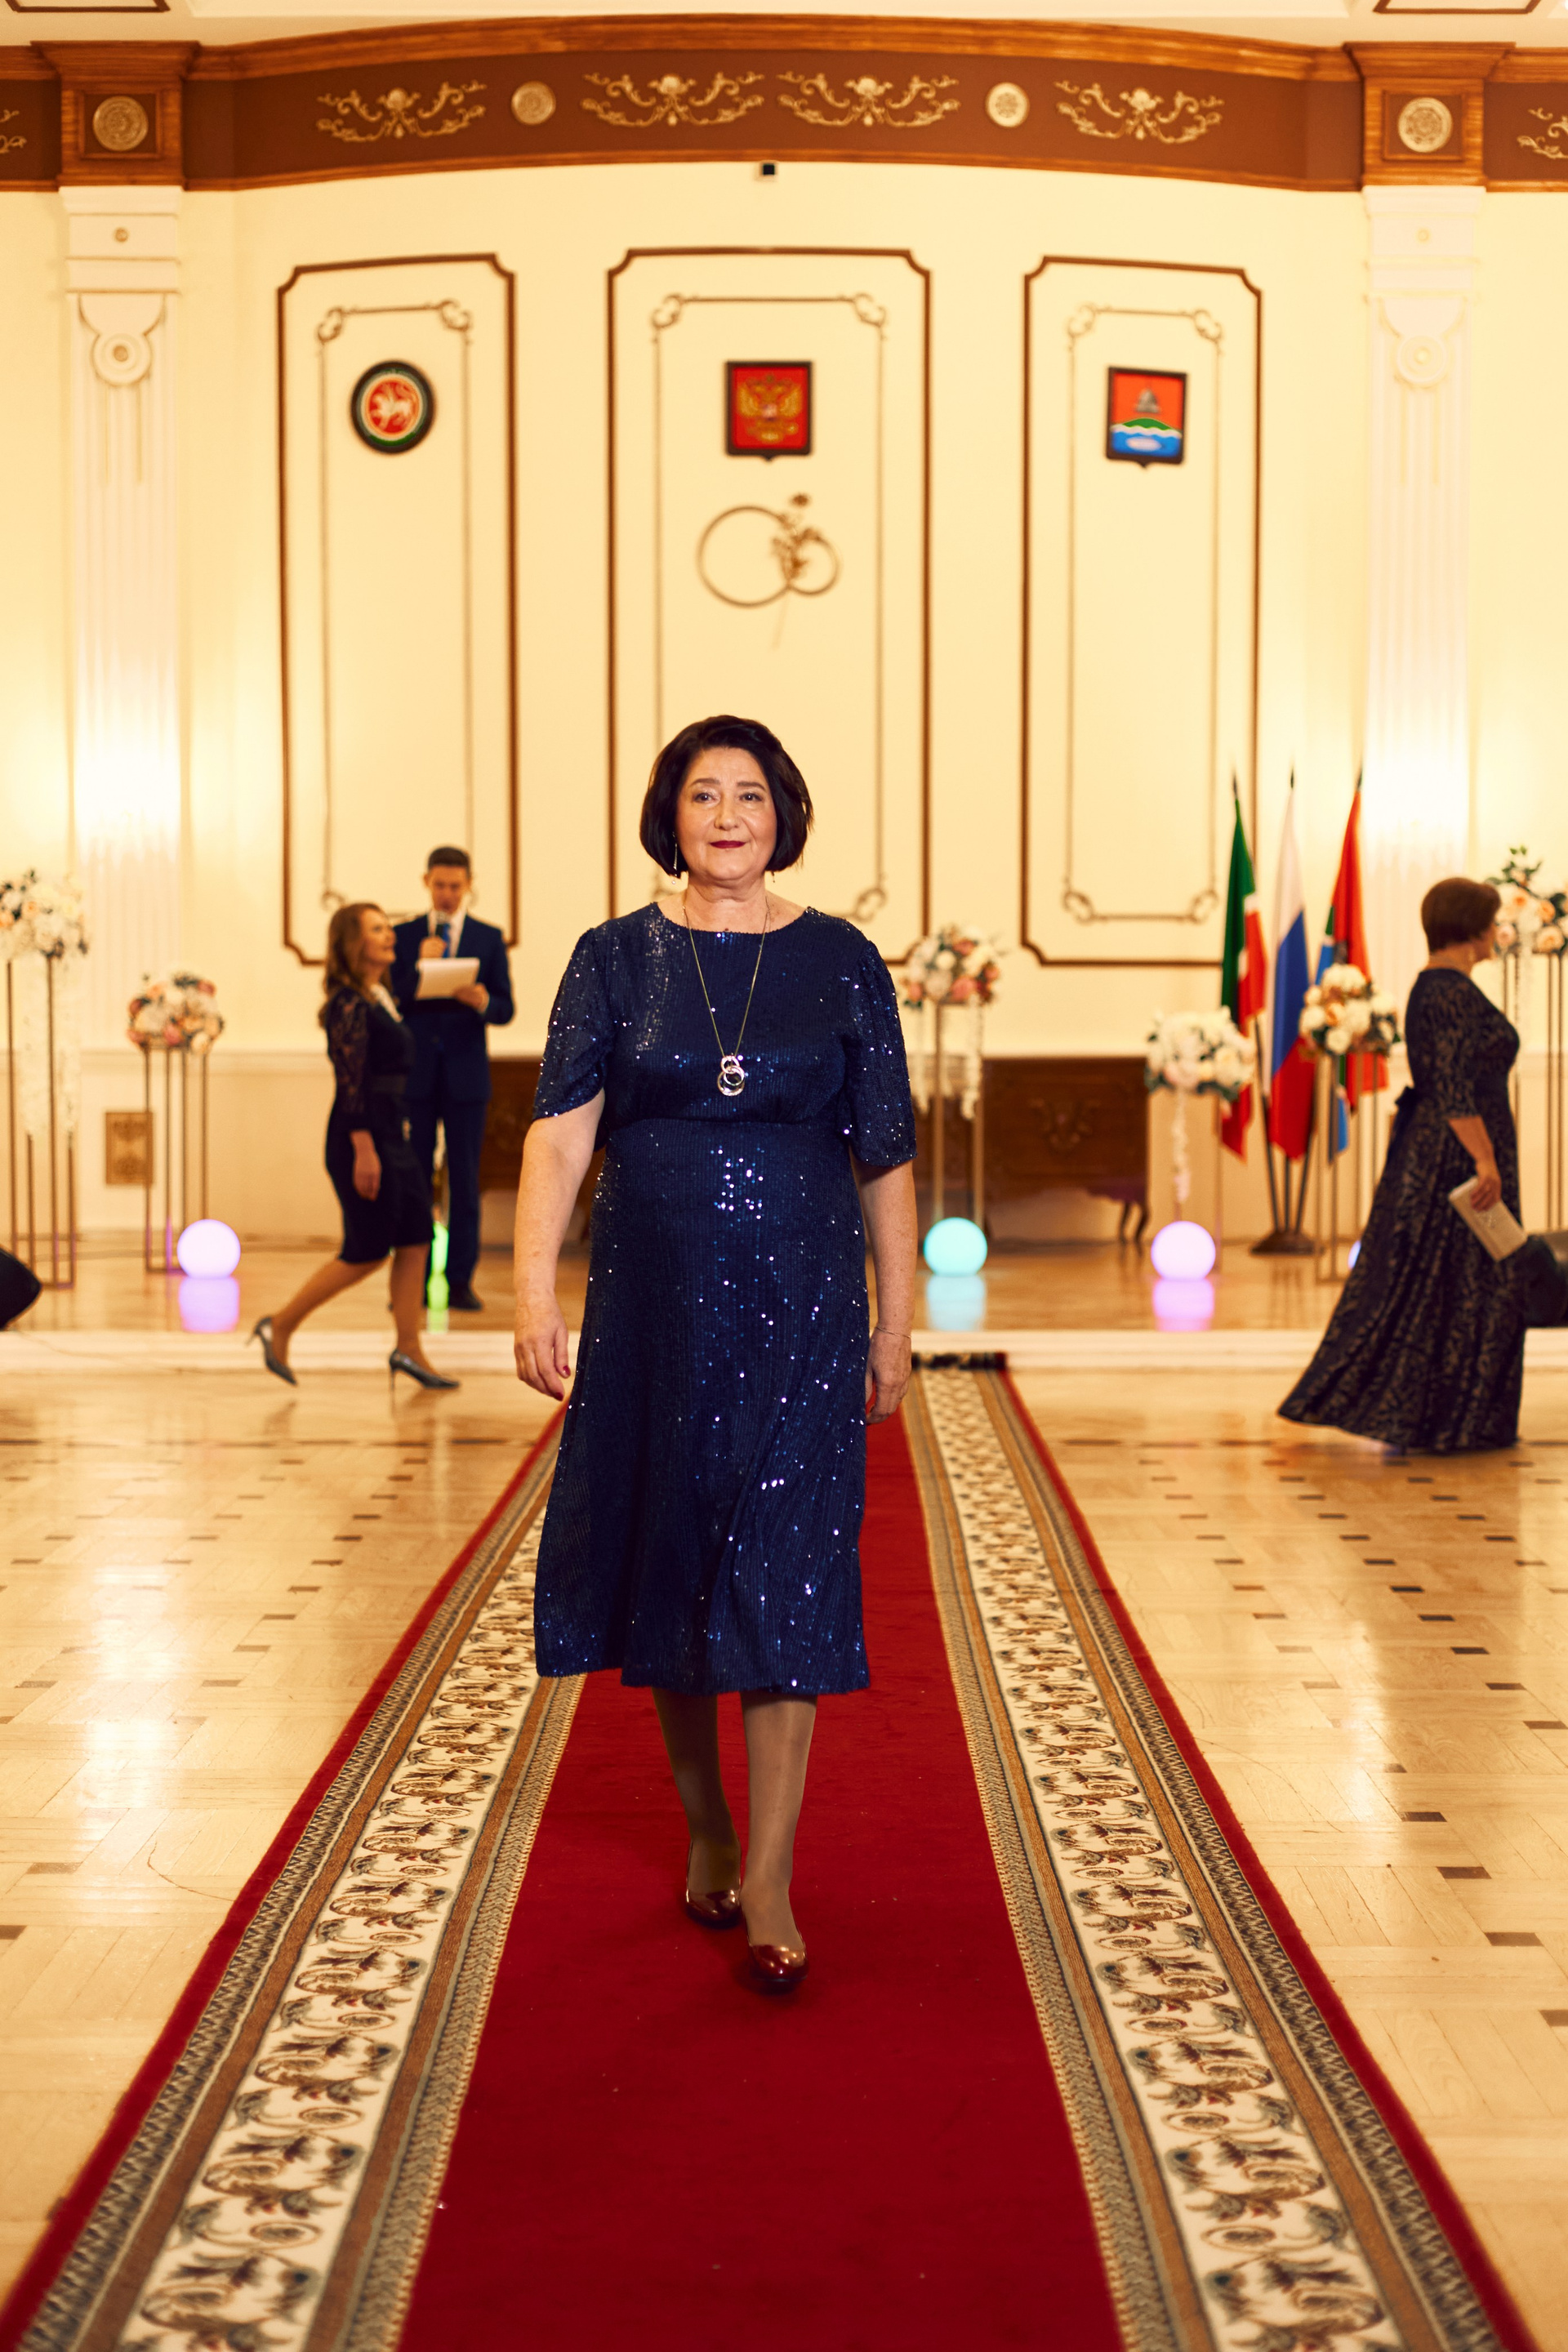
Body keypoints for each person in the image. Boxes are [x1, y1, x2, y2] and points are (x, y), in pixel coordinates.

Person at [512, 714, 918, 1993]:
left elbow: (886, 1154)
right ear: (669, 816)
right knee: (677, 1559)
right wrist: (531, 1291)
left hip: (806, 1307)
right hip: (655, 1311)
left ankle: (775, 1876)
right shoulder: (612, 959)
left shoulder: (842, 959)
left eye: (750, 794)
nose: (729, 816)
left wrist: (897, 1319)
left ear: (783, 815)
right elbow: (559, 1138)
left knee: (787, 1568)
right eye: (704, 795)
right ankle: (709, 1829)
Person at [1279, 876, 1523, 1454]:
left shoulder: (1443, 988)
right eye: (1491, 921)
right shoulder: (1445, 992)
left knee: (1452, 1283)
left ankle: (1453, 1418)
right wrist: (1485, 1160)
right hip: (1455, 1157)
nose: (1497, 932)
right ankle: (1447, 1418)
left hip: (1450, 1149)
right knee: (1449, 1283)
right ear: (1471, 929)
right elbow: (1452, 1087)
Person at [252, 902, 458, 1392]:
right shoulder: (347, 1004)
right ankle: (280, 1324)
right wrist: (365, 1150)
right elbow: (351, 1084)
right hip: (361, 1137)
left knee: (417, 1239)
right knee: (367, 1251)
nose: (390, 935)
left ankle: (408, 1348)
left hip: (392, 1132)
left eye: (388, 927)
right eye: (378, 929)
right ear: (354, 942)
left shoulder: (378, 995)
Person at [392, 849, 514, 1312]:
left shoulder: (488, 937)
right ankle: (413, 1281)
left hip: (466, 1077)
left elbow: (505, 1008)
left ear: (468, 885)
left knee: (464, 1181)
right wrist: (417, 967)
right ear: (426, 881)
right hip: (416, 1076)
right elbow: (391, 998)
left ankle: (460, 1280)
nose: (447, 894)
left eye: (455, 886)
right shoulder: (405, 936)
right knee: (415, 1181)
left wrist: (482, 1001)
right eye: (440, 885)